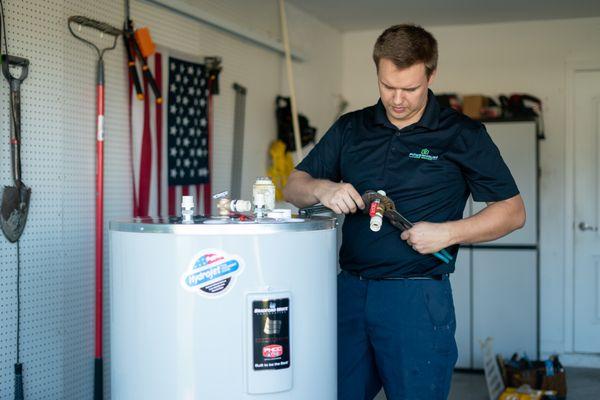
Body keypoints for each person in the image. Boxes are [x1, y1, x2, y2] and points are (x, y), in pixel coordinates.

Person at [283, 24, 526, 400]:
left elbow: (512, 212)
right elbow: (293, 186)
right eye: (387, 86)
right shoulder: (351, 128)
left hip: (416, 300)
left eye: (410, 89)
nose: (397, 99)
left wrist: (448, 233)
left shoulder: (462, 134)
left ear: (431, 75)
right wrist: (321, 187)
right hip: (350, 292)